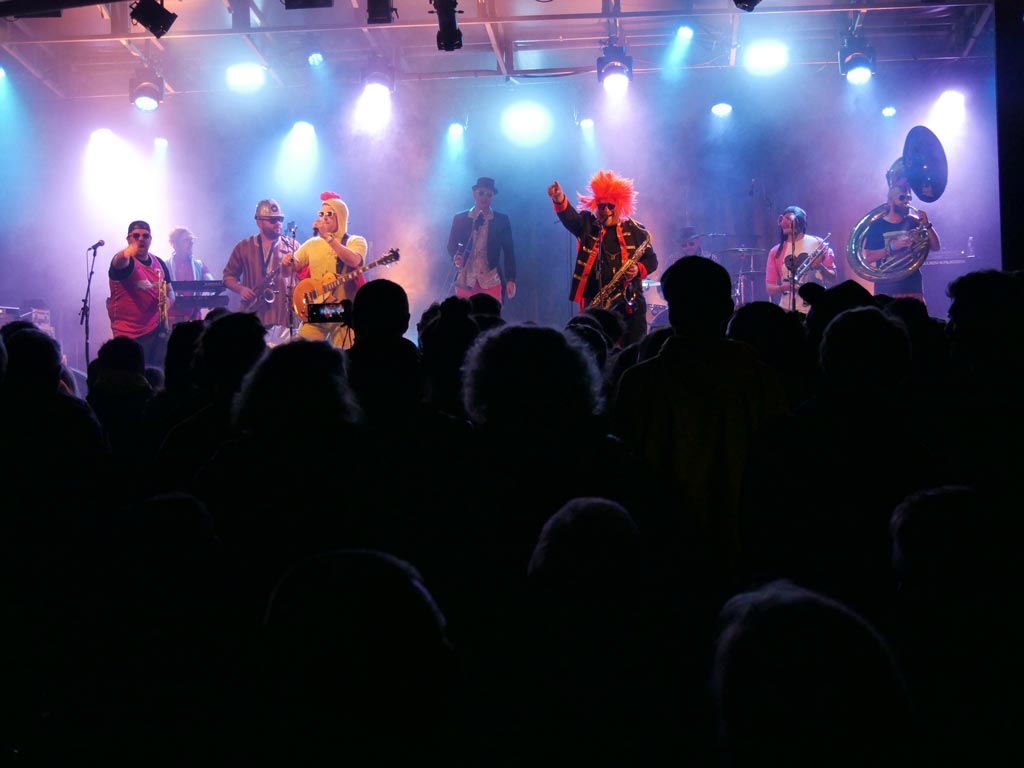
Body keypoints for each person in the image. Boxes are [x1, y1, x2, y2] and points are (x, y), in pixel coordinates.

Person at [548, 170, 658, 346]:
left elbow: (652, 261)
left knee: (634, 347)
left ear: (620, 205)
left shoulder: (636, 230)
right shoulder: (588, 225)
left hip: (629, 301)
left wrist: (638, 268)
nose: (605, 210)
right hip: (596, 301)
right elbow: (571, 219)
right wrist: (559, 198)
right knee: (594, 347)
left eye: (610, 206)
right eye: (601, 206)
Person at [283, 191, 367, 349]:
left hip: (344, 313)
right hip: (318, 309)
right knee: (298, 351)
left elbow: (354, 260)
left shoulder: (356, 241)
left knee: (347, 355)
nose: (324, 217)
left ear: (341, 217)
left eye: (329, 214)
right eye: (321, 214)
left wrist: (329, 238)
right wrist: (287, 262)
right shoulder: (312, 243)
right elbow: (290, 271)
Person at [223, 198, 301, 335]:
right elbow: (228, 277)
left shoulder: (293, 246)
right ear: (259, 222)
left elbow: (305, 277)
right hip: (253, 317)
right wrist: (241, 289)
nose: (278, 223)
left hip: (284, 318)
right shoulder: (243, 246)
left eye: (280, 219)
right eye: (273, 220)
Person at [107, 219, 174, 368]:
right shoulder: (126, 262)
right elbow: (119, 261)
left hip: (155, 330)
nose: (141, 239)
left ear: (150, 239)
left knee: (157, 374)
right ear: (128, 239)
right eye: (136, 236)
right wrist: (126, 252)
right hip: (128, 334)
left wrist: (168, 302)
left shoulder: (159, 263)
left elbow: (171, 292)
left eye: (145, 236)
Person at [863, 185, 941, 302]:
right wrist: (892, 247)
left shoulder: (913, 221)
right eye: (902, 198)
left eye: (909, 198)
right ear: (890, 201)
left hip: (912, 284)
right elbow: (869, 257)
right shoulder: (877, 225)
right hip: (886, 287)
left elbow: (936, 247)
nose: (906, 201)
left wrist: (927, 224)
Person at [448, 176, 517, 305]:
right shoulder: (460, 218)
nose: (484, 197)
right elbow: (451, 245)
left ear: (493, 197)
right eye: (481, 193)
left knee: (490, 317)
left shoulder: (501, 220)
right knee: (464, 316)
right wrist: (456, 257)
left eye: (489, 194)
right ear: (474, 193)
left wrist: (511, 279)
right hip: (465, 280)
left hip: (491, 281)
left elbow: (509, 252)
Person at [765, 205, 837, 314]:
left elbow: (833, 278)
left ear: (800, 221)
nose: (784, 222)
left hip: (817, 309)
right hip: (787, 310)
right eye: (782, 219)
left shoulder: (818, 243)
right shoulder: (775, 251)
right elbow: (769, 288)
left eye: (789, 218)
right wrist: (784, 287)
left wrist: (820, 267)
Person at [166, 227, 214, 324]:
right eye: (186, 240)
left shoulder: (199, 265)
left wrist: (212, 296)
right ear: (175, 244)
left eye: (191, 240)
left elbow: (213, 284)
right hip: (173, 318)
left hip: (195, 318)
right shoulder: (165, 265)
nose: (191, 243)